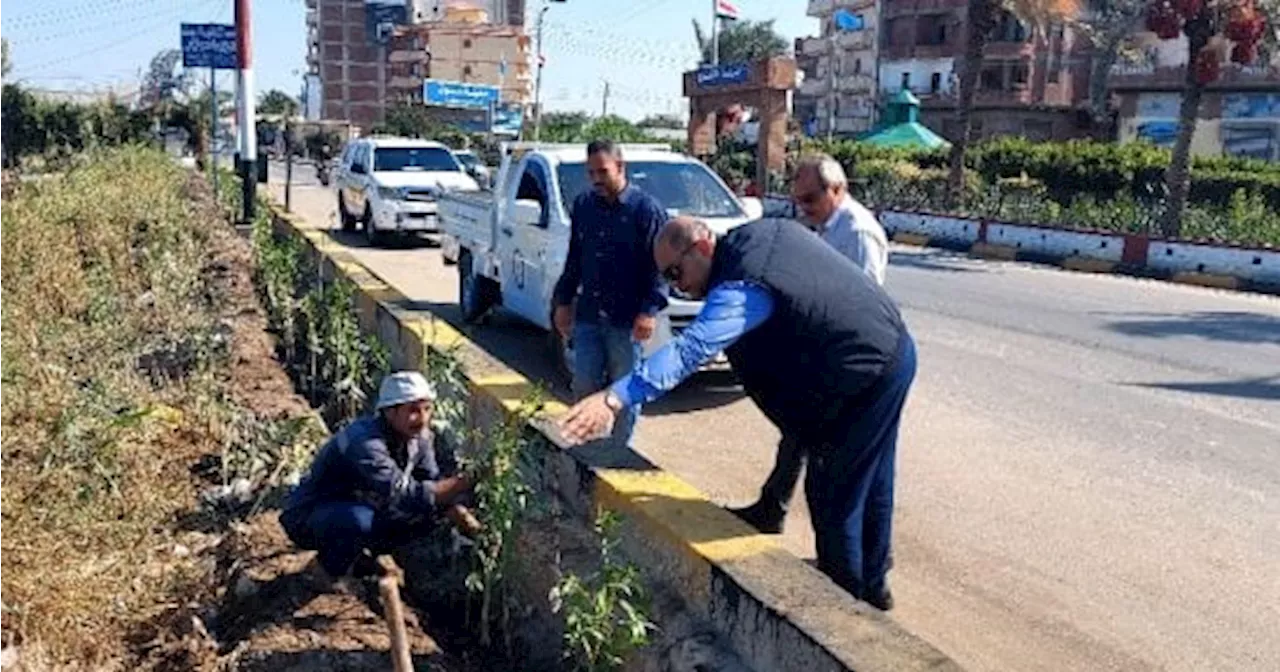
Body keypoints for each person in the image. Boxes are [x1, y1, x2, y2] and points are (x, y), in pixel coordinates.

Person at [557, 216, 917, 611]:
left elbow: (690, 349)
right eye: (667, 279)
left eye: (677, 272)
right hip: (891, 350)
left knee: (834, 496)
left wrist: (613, 398)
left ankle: (846, 615)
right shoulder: (761, 233)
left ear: (703, 247)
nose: (679, 286)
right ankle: (876, 587)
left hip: (860, 375)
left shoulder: (744, 285)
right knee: (875, 475)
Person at [727, 154, 891, 534]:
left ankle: (862, 563)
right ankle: (773, 506)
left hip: (848, 361)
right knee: (795, 433)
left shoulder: (857, 234)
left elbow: (863, 304)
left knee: (846, 463)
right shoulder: (823, 225)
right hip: (819, 354)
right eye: (798, 200)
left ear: (838, 189)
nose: (803, 208)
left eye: (811, 199)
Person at [280, 371, 480, 582]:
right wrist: (467, 480)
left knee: (427, 514)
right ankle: (322, 572)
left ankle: (361, 557)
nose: (422, 418)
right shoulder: (364, 441)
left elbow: (430, 482)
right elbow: (405, 494)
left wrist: (458, 511)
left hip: (361, 508)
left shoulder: (419, 437)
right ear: (390, 412)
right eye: (413, 410)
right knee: (358, 522)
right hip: (310, 517)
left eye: (427, 409)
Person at [552, 139, 669, 448]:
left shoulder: (646, 211)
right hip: (589, 314)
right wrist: (562, 302)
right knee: (585, 383)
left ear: (620, 167)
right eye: (590, 173)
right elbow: (575, 258)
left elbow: (659, 267)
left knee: (625, 390)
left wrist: (649, 311)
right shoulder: (584, 206)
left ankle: (618, 452)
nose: (596, 180)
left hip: (627, 320)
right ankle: (586, 450)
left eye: (602, 171)